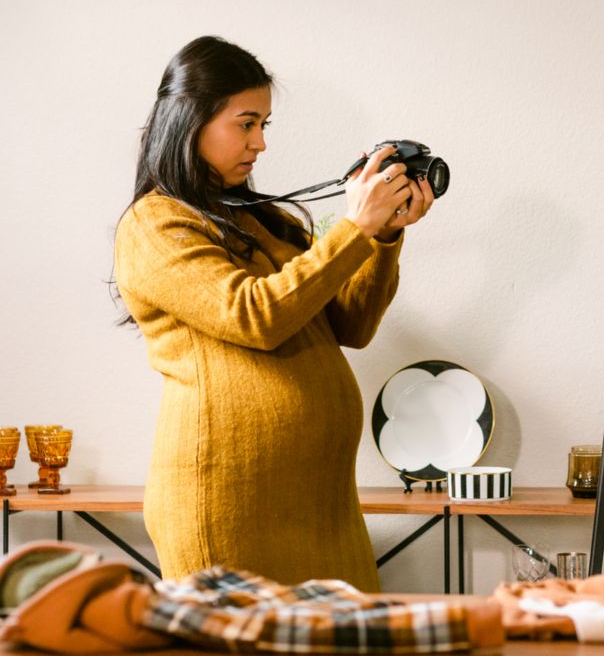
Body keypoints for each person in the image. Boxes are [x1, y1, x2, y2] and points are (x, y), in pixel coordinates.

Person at [114, 35, 434, 590]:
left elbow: (352, 327)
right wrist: (352, 229)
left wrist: (382, 237)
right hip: (225, 504)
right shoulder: (155, 223)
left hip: (322, 504)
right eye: (246, 123)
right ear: (191, 121)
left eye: (265, 125)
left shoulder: (263, 220)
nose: (260, 143)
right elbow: (254, 317)